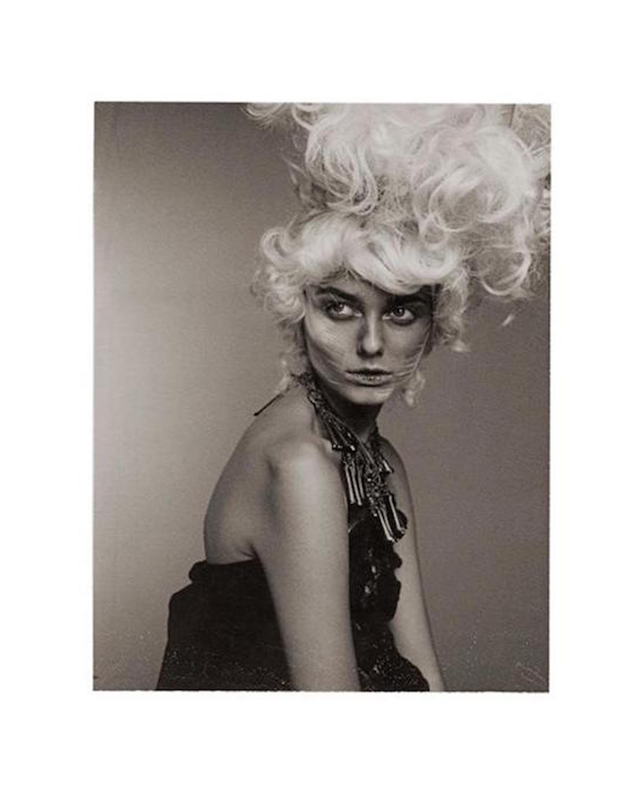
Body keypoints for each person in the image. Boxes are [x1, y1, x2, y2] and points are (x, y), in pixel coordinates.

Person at [156, 103, 549, 691]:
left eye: (401, 311)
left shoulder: (379, 460)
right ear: (299, 310)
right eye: (339, 307)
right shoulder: (299, 466)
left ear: (435, 325)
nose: (370, 343)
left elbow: (422, 672)